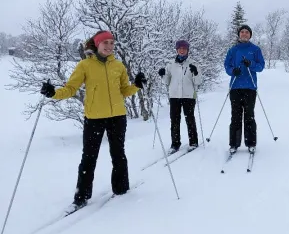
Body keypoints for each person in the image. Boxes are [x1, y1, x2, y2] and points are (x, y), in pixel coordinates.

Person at [40, 30, 146, 210]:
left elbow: (124, 91)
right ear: (97, 44)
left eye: (112, 43)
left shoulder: (118, 66)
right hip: (94, 118)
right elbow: (71, 88)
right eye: (106, 43)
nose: (109, 46)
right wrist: (53, 93)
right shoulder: (85, 65)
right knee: (89, 157)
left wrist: (136, 85)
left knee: (118, 154)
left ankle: (121, 190)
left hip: (117, 117)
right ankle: (81, 196)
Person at [224, 24, 265, 154]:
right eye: (242, 32)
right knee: (235, 116)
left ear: (250, 35)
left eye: (247, 32)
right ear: (239, 34)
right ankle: (234, 144)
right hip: (235, 87)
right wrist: (232, 71)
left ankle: (251, 143)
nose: (244, 34)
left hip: (250, 87)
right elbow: (227, 65)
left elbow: (260, 66)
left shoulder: (255, 49)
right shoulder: (233, 50)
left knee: (249, 116)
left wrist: (251, 64)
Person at [158, 40, 202, 154]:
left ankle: (193, 142)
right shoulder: (170, 64)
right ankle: (175, 144)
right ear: (177, 50)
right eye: (180, 48)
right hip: (174, 96)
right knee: (174, 120)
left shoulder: (193, 64)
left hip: (189, 95)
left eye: (184, 48)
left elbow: (198, 81)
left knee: (190, 119)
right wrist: (163, 74)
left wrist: (196, 73)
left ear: (187, 50)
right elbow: (166, 82)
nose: (182, 50)